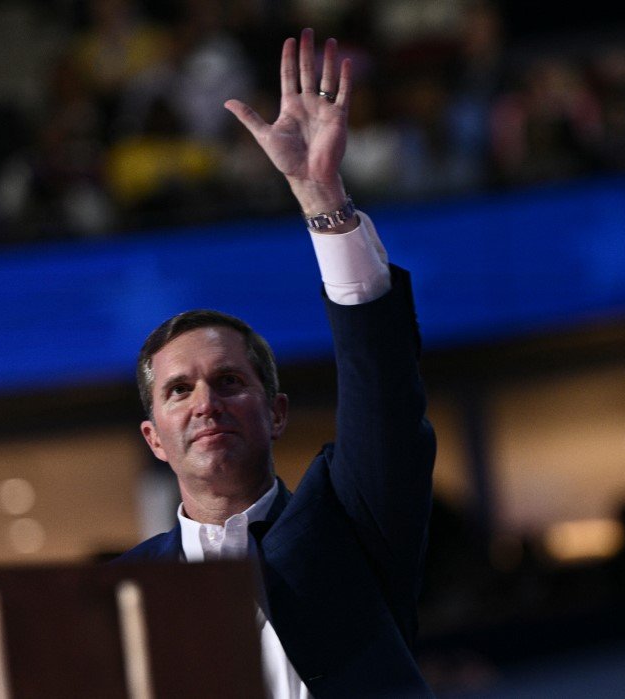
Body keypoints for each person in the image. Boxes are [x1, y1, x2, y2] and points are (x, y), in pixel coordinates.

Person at [115, 29, 437, 698]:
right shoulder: (123, 592)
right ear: (154, 437)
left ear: (276, 410)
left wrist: (322, 201)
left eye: (230, 380)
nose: (205, 401)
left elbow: (386, 399)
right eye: (179, 389)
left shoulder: (351, 521)